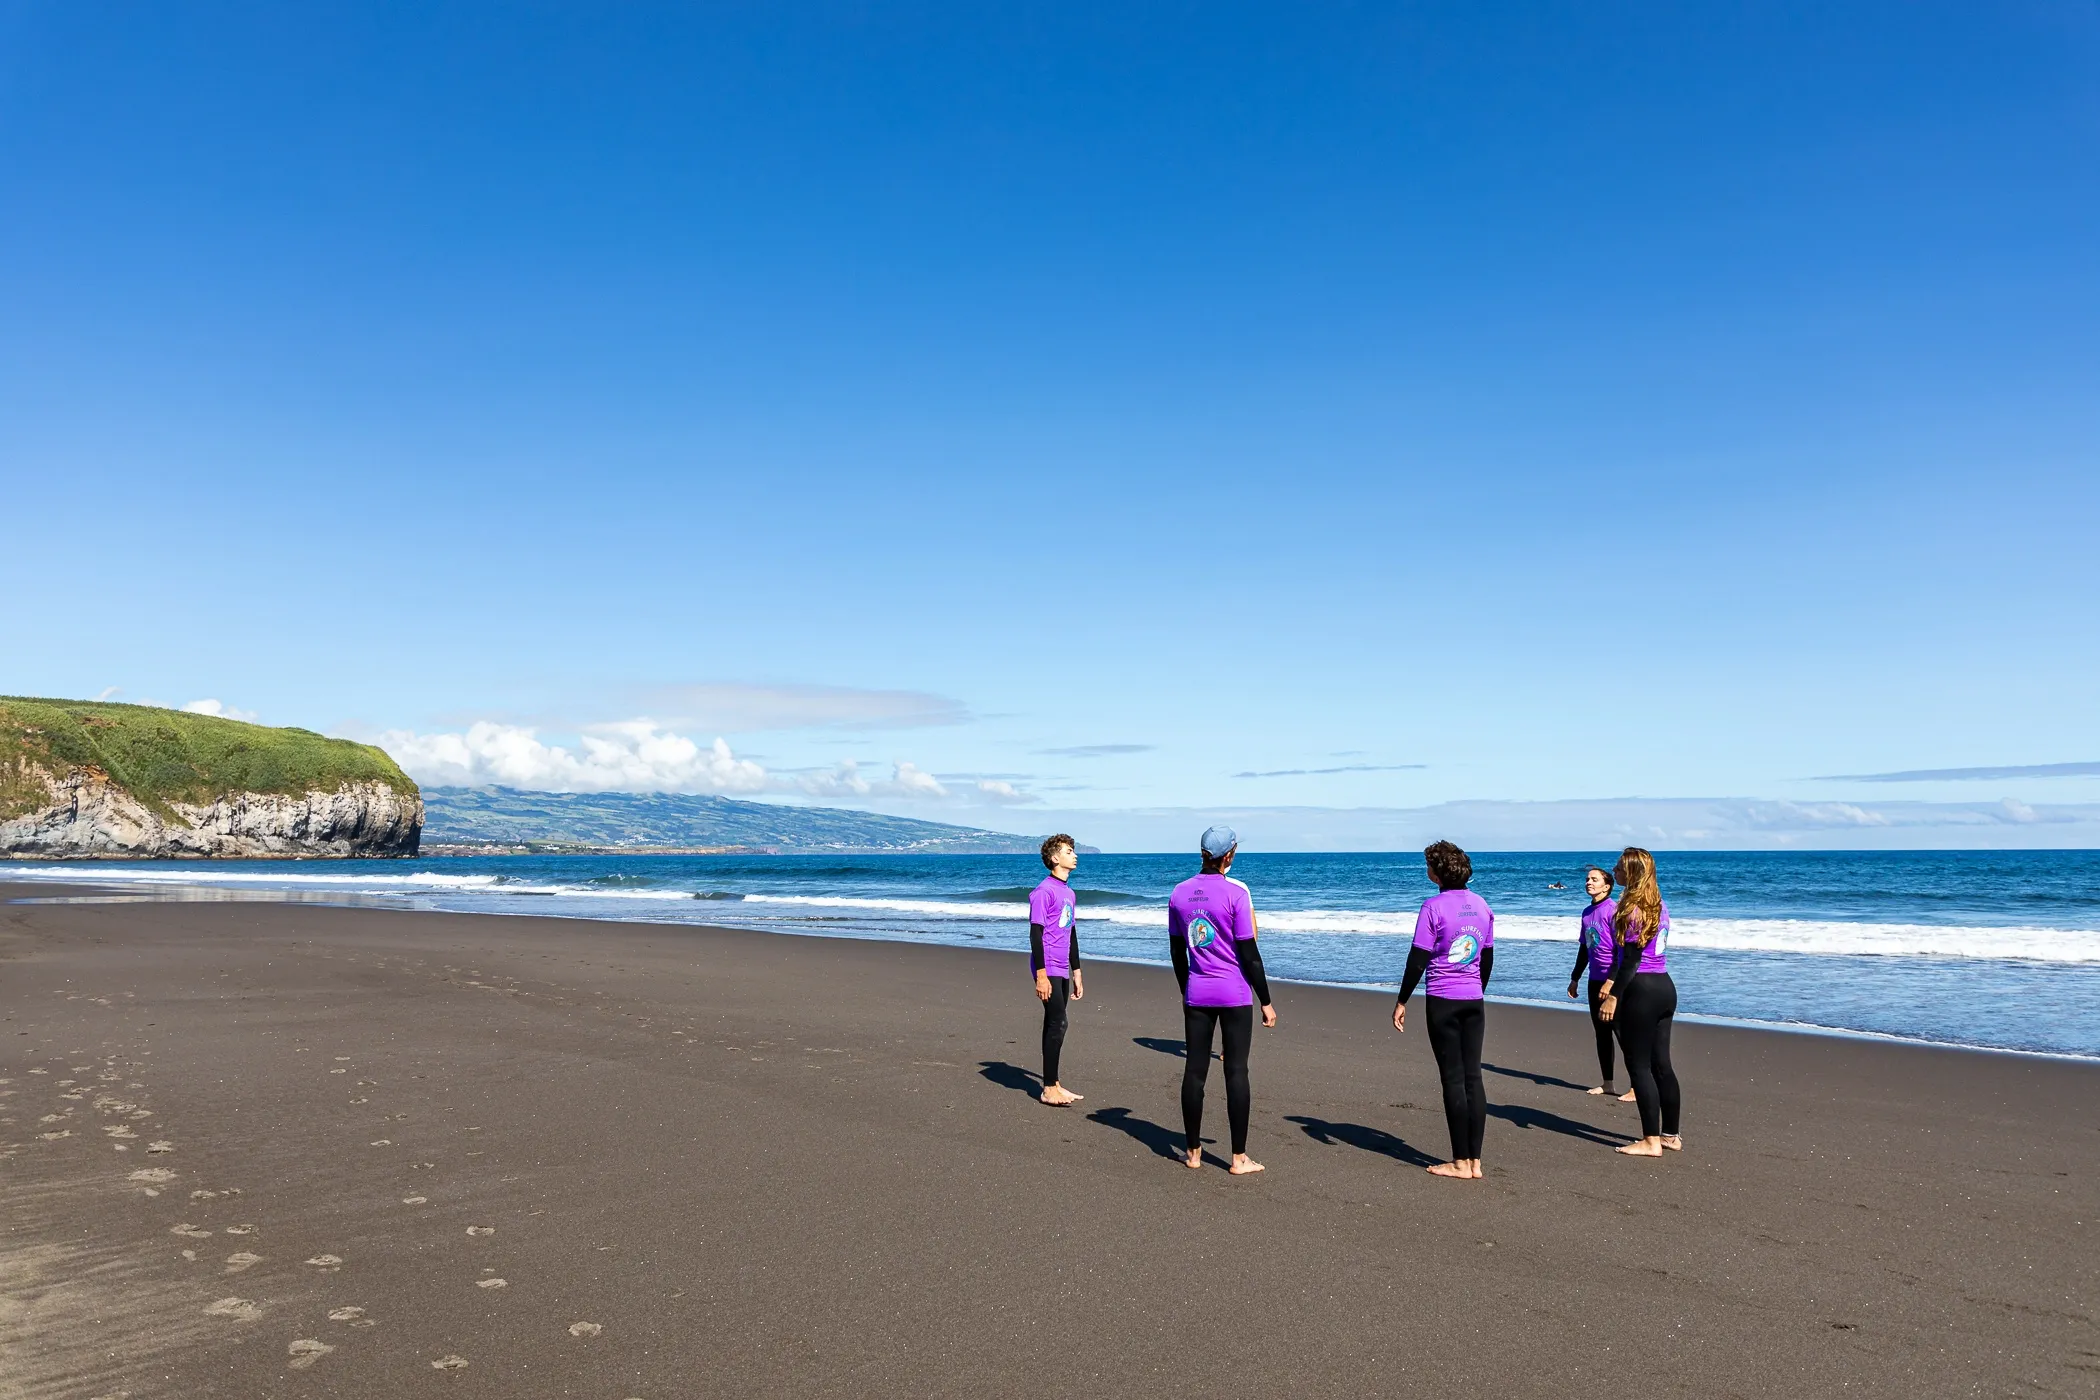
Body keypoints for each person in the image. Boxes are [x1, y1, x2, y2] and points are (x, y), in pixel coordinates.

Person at [1166, 826, 1277, 1174]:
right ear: (1229, 855)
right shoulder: (1236, 895)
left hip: (1197, 993)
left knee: (1195, 1071)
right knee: (1236, 1072)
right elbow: (1250, 953)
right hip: (1235, 994)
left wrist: (1188, 988)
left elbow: (1177, 951)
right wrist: (1266, 1000)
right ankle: (1238, 1158)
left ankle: (1194, 1152)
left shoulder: (1179, 893)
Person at [1392, 840, 1494, 1180]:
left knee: (1453, 1079)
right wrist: (1477, 989)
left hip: (1443, 1000)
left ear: (1437, 872)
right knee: (1473, 1077)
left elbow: (1418, 957)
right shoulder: (1481, 905)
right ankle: (1475, 1162)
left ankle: (1460, 1161)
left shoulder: (1433, 907)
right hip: (1473, 1000)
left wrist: (1402, 999)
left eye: (1428, 865)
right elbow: (1487, 958)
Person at [1597, 847, 1682, 1156]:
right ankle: (1671, 1135)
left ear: (1630, 873)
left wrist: (1613, 997)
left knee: (1638, 1065)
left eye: (1619, 867)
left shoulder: (1630, 909)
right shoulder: (1660, 905)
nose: (1614, 870)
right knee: (1662, 1065)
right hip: (1664, 986)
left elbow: (1630, 961)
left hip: (1642, 989)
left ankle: (1650, 1140)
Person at [1028, 834, 1085, 1106]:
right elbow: (1035, 934)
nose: (1075, 855)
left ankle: (1055, 1084)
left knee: (1054, 1023)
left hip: (1063, 966)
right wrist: (1041, 974)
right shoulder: (1044, 892)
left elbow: (1071, 932)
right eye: (1069, 851)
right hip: (1047, 966)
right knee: (1058, 1022)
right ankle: (1048, 1088)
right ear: (1055, 858)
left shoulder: (1069, 893)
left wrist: (1077, 971)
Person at [1565, 864, 1626, 1097]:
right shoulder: (1586, 912)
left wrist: (1612, 981)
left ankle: (1635, 1086)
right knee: (1601, 1033)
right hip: (1594, 979)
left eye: (1594, 879)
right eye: (1588, 879)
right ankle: (1608, 1083)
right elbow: (1584, 948)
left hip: (1614, 981)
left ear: (1607, 886)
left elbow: (1622, 951)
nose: (1588, 882)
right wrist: (1575, 978)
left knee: (1621, 1032)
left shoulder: (1614, 910)